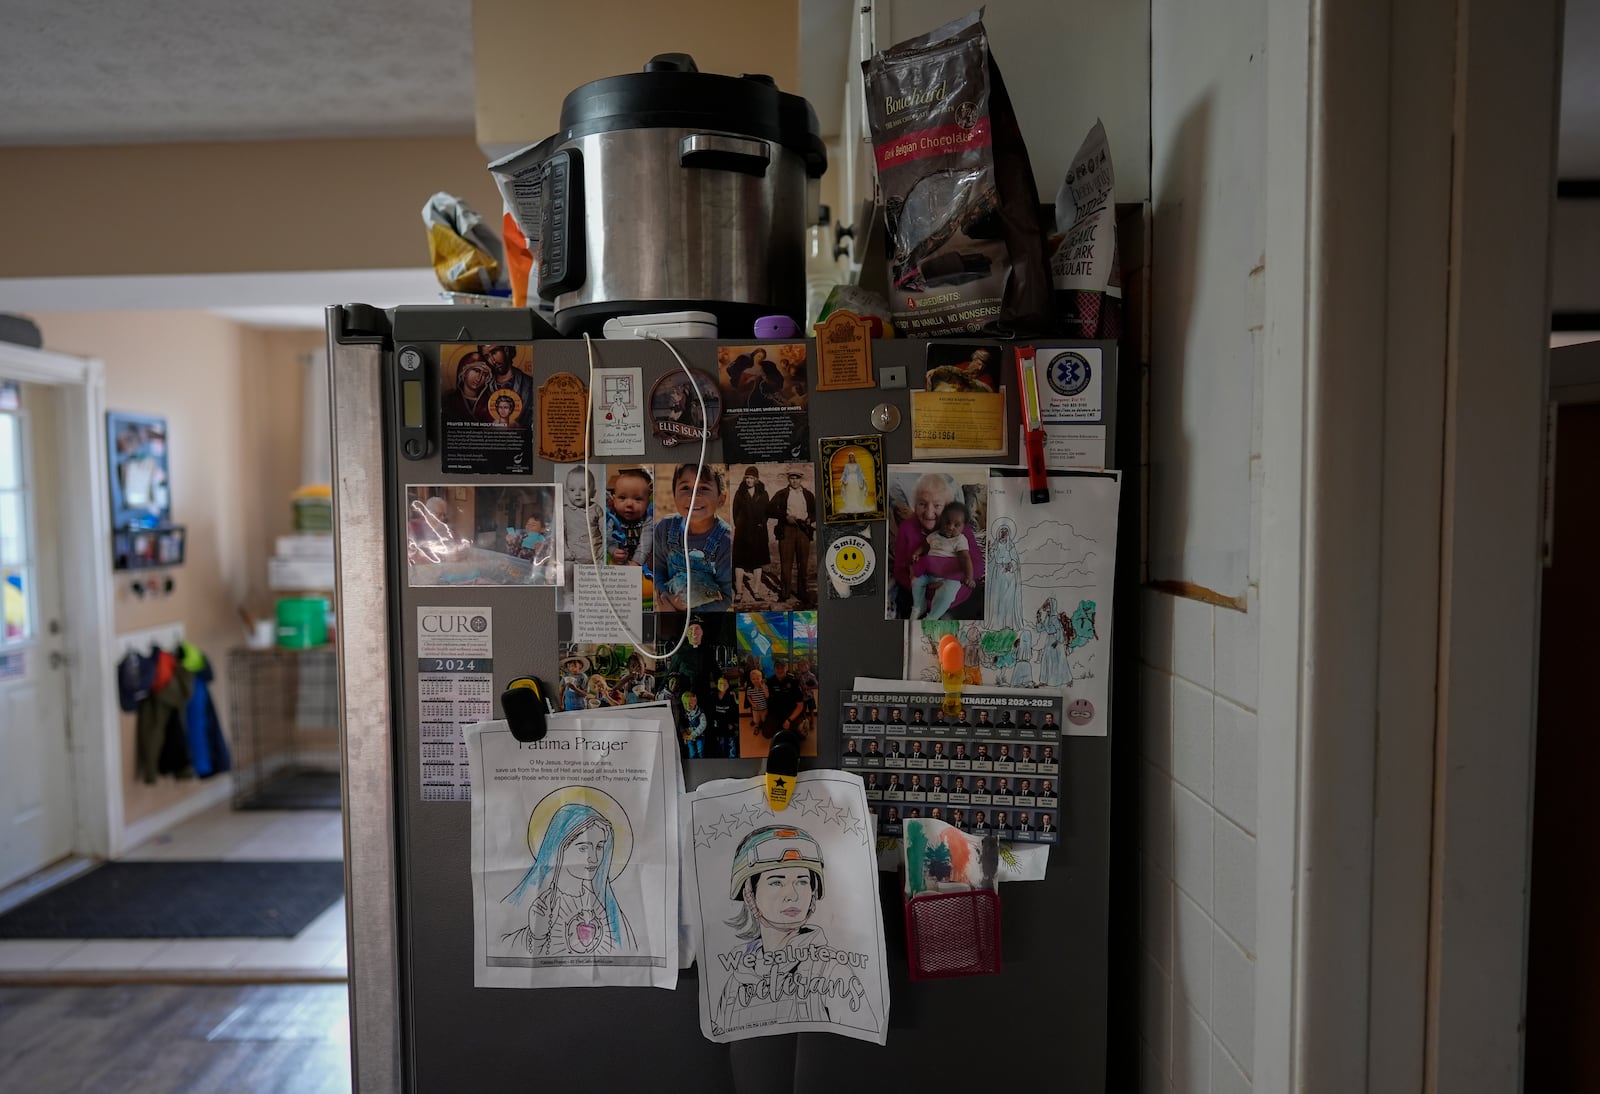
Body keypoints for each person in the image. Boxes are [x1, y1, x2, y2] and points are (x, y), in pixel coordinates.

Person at [714, 826, 875, 1036]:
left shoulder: (831, 973)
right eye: (776, 882)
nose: (792, 894)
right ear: (749, 894)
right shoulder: (736, 981)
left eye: (802, 881)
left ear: (813, 891)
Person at [501, 802, 634, 956]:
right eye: (583, 848)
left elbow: (624, 950)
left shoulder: (604, 901)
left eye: (599, 847)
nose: (594, 858)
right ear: (560, 848)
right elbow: (501, 945)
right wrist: (537, 933)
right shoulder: (540, 899)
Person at [891, 472, 984, 618]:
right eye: (922, 504)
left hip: (957, 598)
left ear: (947, 507)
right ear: (915, 505)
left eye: (937, 505)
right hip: (919, 597)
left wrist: (950, 576)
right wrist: (920, 584)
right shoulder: (907, 528)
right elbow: (899, 570)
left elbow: (978, 566)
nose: (929, 512)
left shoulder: (960, 529)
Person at [653, 464, 733, 611]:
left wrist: (686, 613)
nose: (694, 495)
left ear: (721, 499)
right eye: (685, 488)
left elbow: (727, 598)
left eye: (704, 488)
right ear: (674, 495)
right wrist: (665, 597)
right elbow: (658, 569)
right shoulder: (663, 529)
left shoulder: (727, 542)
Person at [910, 501, 977, 620]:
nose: (950, 527)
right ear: (941, 521)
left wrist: (969, 577)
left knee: (947, 594)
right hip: (929, 573)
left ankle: (932, 617)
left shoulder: (960, 540)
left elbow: (965, 558)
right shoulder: (934, 535)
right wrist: (917, 553)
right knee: (916, 581)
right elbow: (925, 545)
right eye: (947, 522)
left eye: (957, 525)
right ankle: (919, 606)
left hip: (949, 576)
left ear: (963, 527)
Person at [768, 470, 816, 605]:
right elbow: (770, 509)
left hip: (803, 530)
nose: (794, 481)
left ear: (801, 479)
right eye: (792, 478)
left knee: (803, 563)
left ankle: (802, 592)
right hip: (787, 530)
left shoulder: (808, 495)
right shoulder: (782, 494)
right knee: (786, 563)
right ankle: (784, 593)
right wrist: (785, 517)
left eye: (797, 478)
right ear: (788, 480)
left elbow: (815, 511)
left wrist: (809, 519)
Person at [731, 466, 773, 603]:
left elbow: (766, 512)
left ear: (756, 479)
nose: (749, 480)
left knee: (757, 563)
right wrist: (740, 525)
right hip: (742, 534)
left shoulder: (763, 494)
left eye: (751, 478)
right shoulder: (739, 494)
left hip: (758, 533)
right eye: (747, 478)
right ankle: (739, 591)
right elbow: (735, 512)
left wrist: (761, 524)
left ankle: (755, 590)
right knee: (739, 563)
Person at [605, 467, 654, 566]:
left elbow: (646, 544)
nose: (629, 504)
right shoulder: (612, 518)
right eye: (622, 498)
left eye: (637, 499)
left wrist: (637, 562)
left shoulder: (647, 520)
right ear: (614, 501)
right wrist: (613, 551)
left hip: (641, 561)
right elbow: (607, 538)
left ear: (647, 503)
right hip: (616, 558)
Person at [482, 344, 534, 425]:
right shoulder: (485, 388)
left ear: (506, 350)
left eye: (494, 352)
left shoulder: (529, 384)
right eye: (487, 357)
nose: (492, 360)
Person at [987, 517, 1023, 632]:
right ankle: (997, 624)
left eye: (1005, 532)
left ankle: (1008, 624)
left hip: (1008, 575)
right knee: (997, 599)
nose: (1003, 534)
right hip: (998, 574)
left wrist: (1011, 565)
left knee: (1007, 599)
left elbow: (1016, 561)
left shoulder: (1010, 546)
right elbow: (989, 557)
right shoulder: (995, 545)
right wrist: (989, 550)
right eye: (1002, 532)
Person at [441, 353, 493, 421]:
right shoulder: (449, 399)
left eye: (484, 374)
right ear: (464, 372)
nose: (479, 378)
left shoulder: (490, 402)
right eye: (476, 371)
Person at [766, 660, 807, 740]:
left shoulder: (794, 681)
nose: (780, 670)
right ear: (774, 669)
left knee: (800, 736)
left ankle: (803, 722)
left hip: (791, 713)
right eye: (777, 668)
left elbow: (800, 705)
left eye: (782, 668)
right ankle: (781, 727)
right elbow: (768, 697)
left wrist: (789, 720)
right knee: (767, 734)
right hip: (776, 713)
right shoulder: (770, 681)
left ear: (786, 668)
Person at [708, 676, 741, 758]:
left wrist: (732, 723)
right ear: (717, 684)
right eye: (720, 683)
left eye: (725, 683)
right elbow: (711, 711)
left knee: (731, 742)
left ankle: (732, 758)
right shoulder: (713, 695)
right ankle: (722, 758)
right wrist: (714, 723)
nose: (722, 685)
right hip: (718, 724)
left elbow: (734, 711)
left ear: (728, 685)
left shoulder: (731, 695)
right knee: (721, 743)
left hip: (729, 723)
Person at [681, 691, 707, 758]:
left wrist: (694, 734)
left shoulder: (700, 712)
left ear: (695, 702)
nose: (688, 706)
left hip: (699, 735)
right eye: (685, 704)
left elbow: (703, 724)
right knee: (692, 752)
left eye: (690, 703)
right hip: (689, 736)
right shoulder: (683, 713)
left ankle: (701, 763)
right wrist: (684, 733)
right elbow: (682, 724)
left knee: (700, 750)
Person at [745, 668, 769, 736]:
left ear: (761, 678)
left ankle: (764, 726)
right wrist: (752, 703)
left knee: (764, 719)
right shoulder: (750, 688)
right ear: (751, 680)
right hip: (755, 709)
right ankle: (757, 726)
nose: (756, 680)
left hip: (764, 708)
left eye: (757, 678)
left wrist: (763, 687)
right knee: (756, 720)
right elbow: (748, 696)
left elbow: (767, 695)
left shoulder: (764, 687)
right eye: (753, 679)